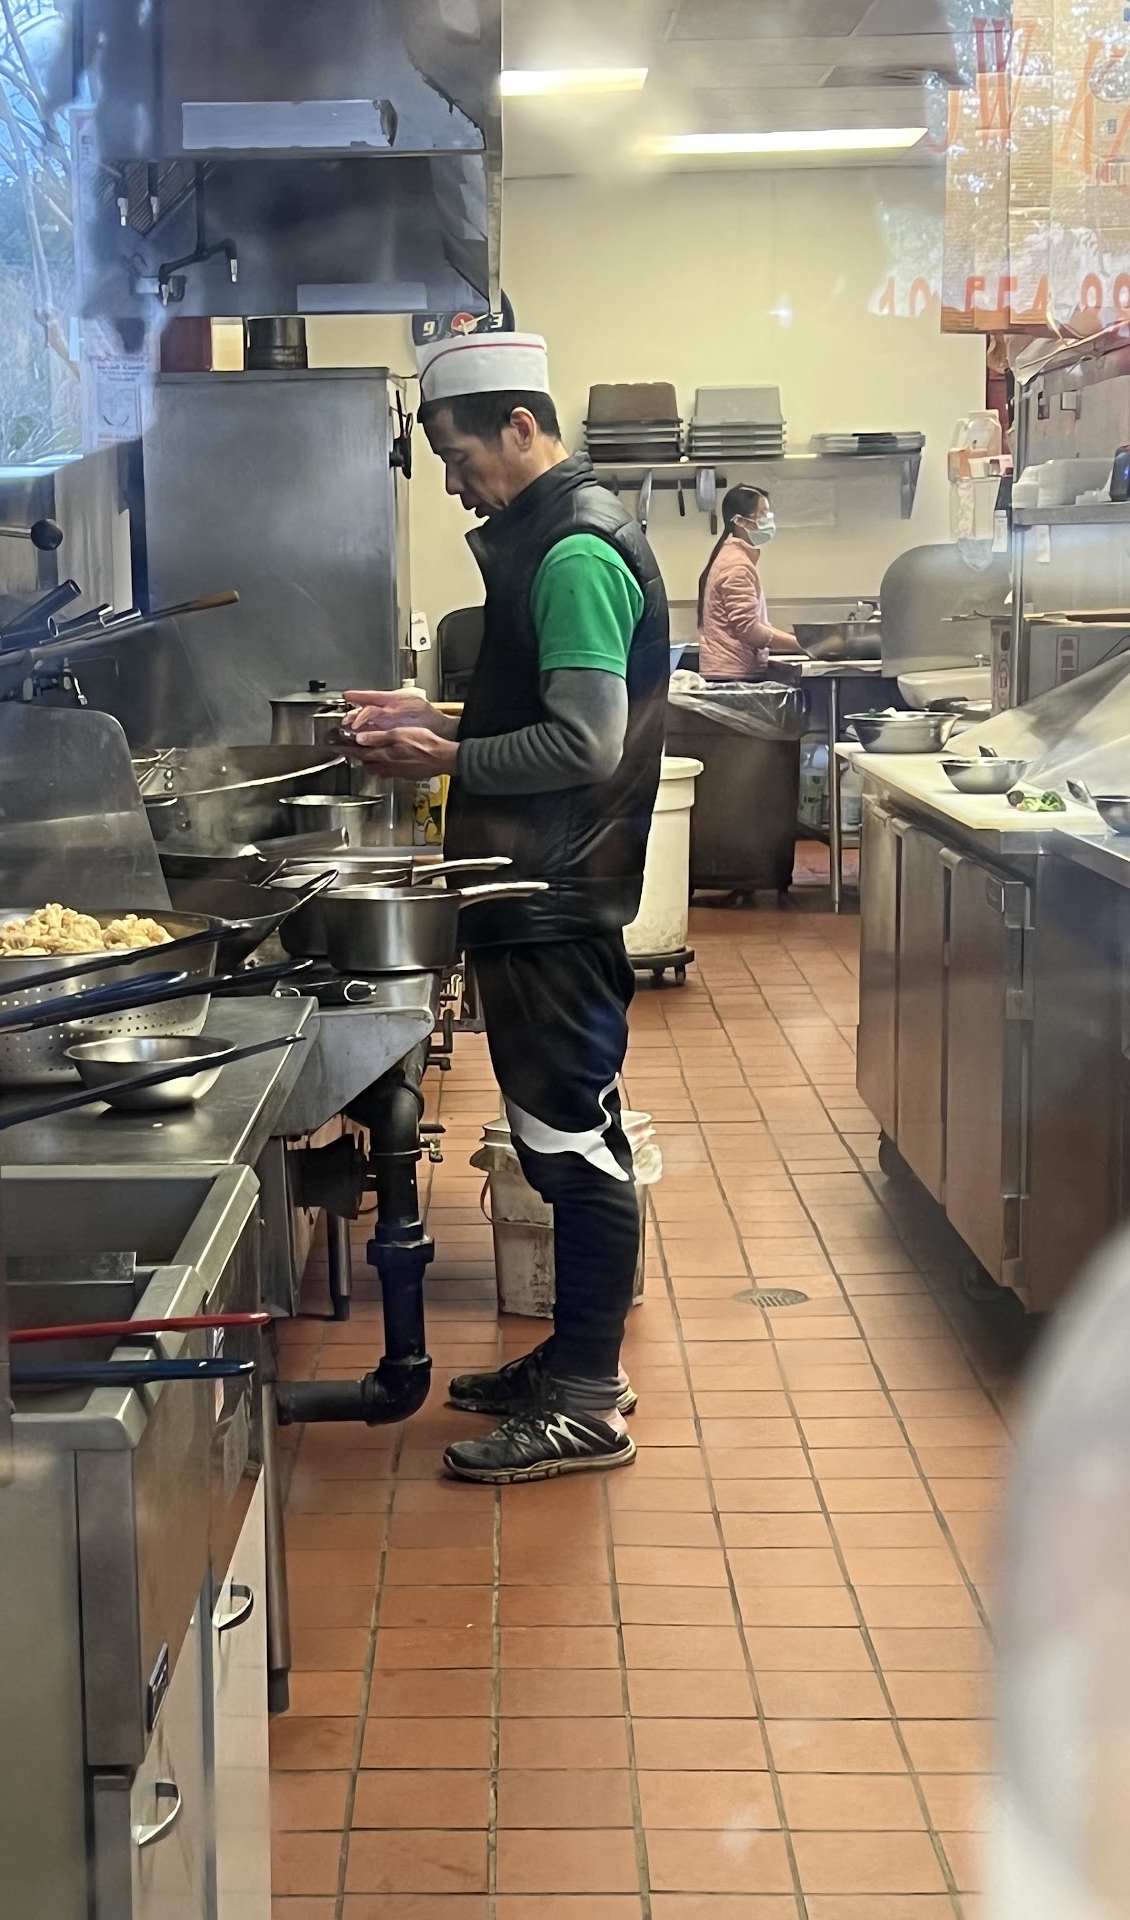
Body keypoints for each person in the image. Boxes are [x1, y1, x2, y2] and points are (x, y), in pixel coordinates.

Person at [340, 330, 669, 1485]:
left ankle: (587, 1402)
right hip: (543, 883)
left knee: (571, 1145)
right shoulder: (559, 537)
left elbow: (584, 741)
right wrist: (433, 714)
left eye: (457, 453)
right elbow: (542, 703)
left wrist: (444, 758)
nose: (451, 480)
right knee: (565, 1136)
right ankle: (574, 1365)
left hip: (552, 890)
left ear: (521, 428)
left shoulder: (574, 550)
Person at [696, 483, 799, 680]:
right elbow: (750, 630)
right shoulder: (737, 565)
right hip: (732, 674)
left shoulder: (732, 557)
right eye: (763, 514)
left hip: (726, 671)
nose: (769, 519)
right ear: (740, 521)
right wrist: (802, 644)